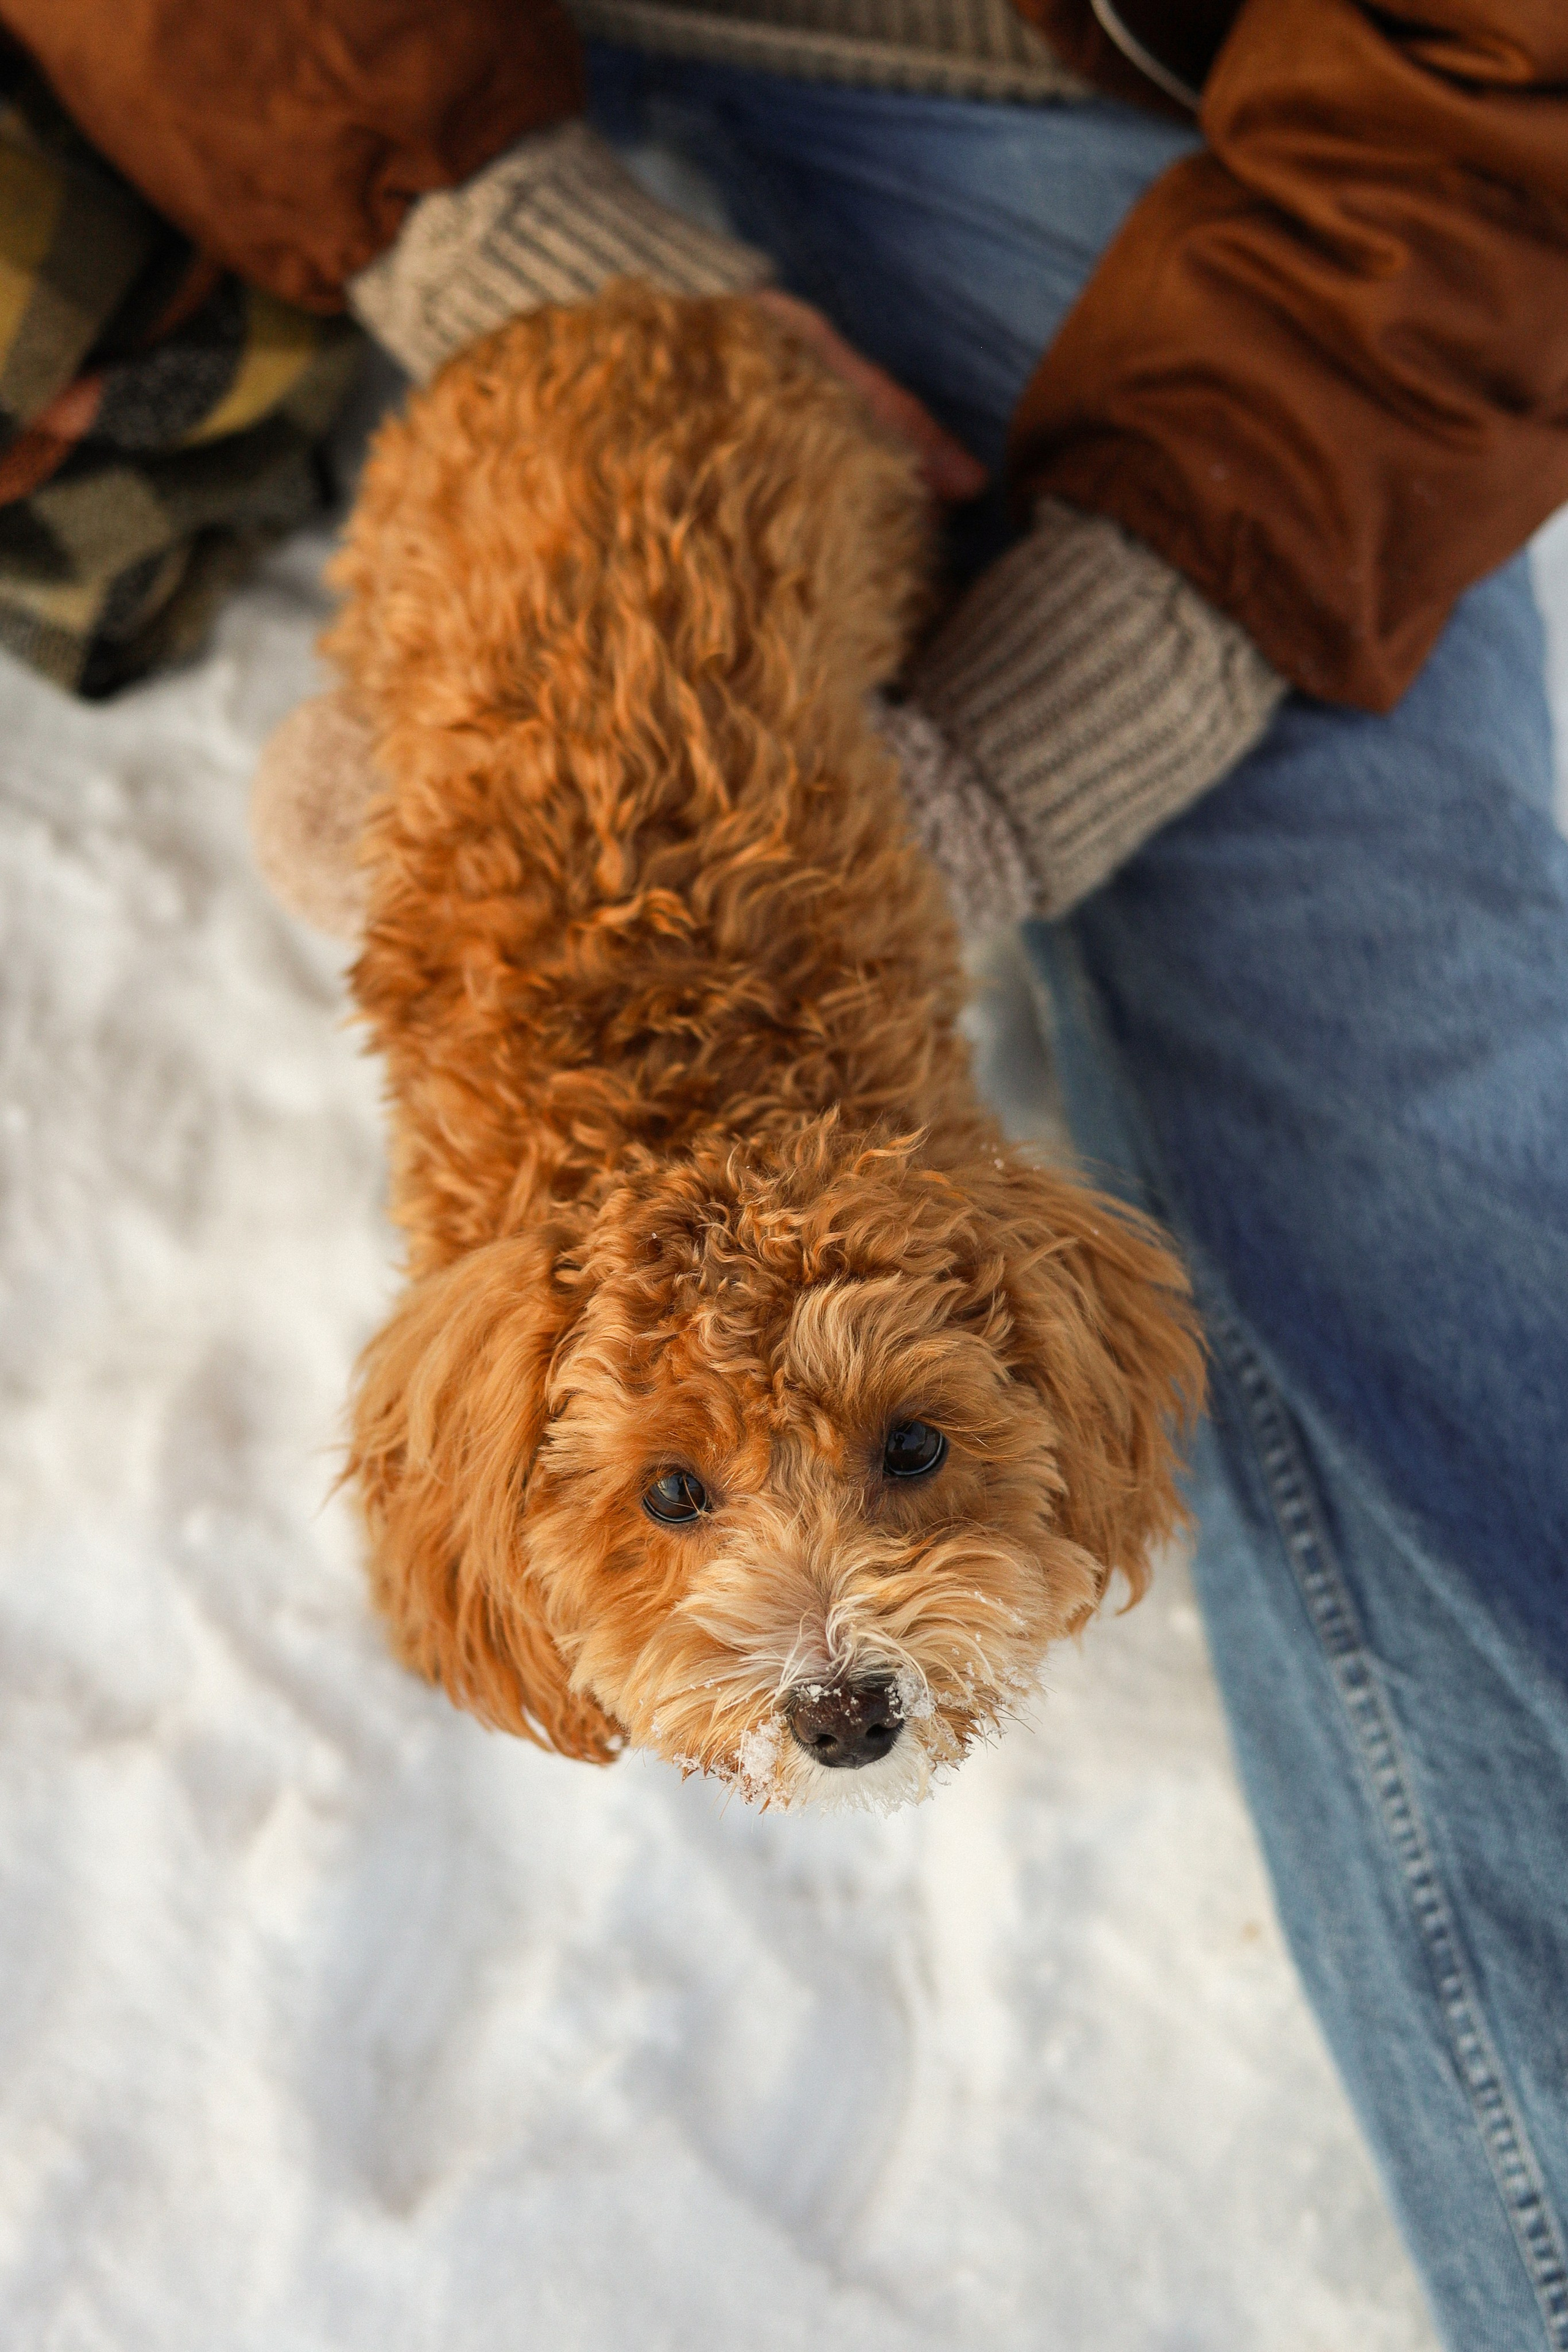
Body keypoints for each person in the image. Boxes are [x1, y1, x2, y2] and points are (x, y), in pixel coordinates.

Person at [6, 3, 1565, 2340]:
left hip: (1148, 117)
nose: (827, 1653)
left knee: (1404, 1074)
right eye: (674, 1501)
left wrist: (1153, 625)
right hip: (367, 64)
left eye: (910, 1447)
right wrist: (465, 207)